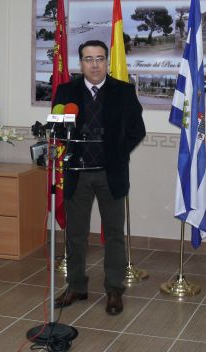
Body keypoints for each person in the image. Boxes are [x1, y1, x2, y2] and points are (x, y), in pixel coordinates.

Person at [53, 40, 145, 316]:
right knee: (76, 234)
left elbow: (136, 131)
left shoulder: (124, 91)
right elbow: (57, 127)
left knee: (114, 234)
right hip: (77, 174)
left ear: (107, 61)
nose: (94, 64)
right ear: (80, 63)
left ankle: (114, 289)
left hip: (110, 174)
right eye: (88, 59)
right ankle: (76, 285)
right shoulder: (66, 91)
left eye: (100, 59)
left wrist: (115, 153)